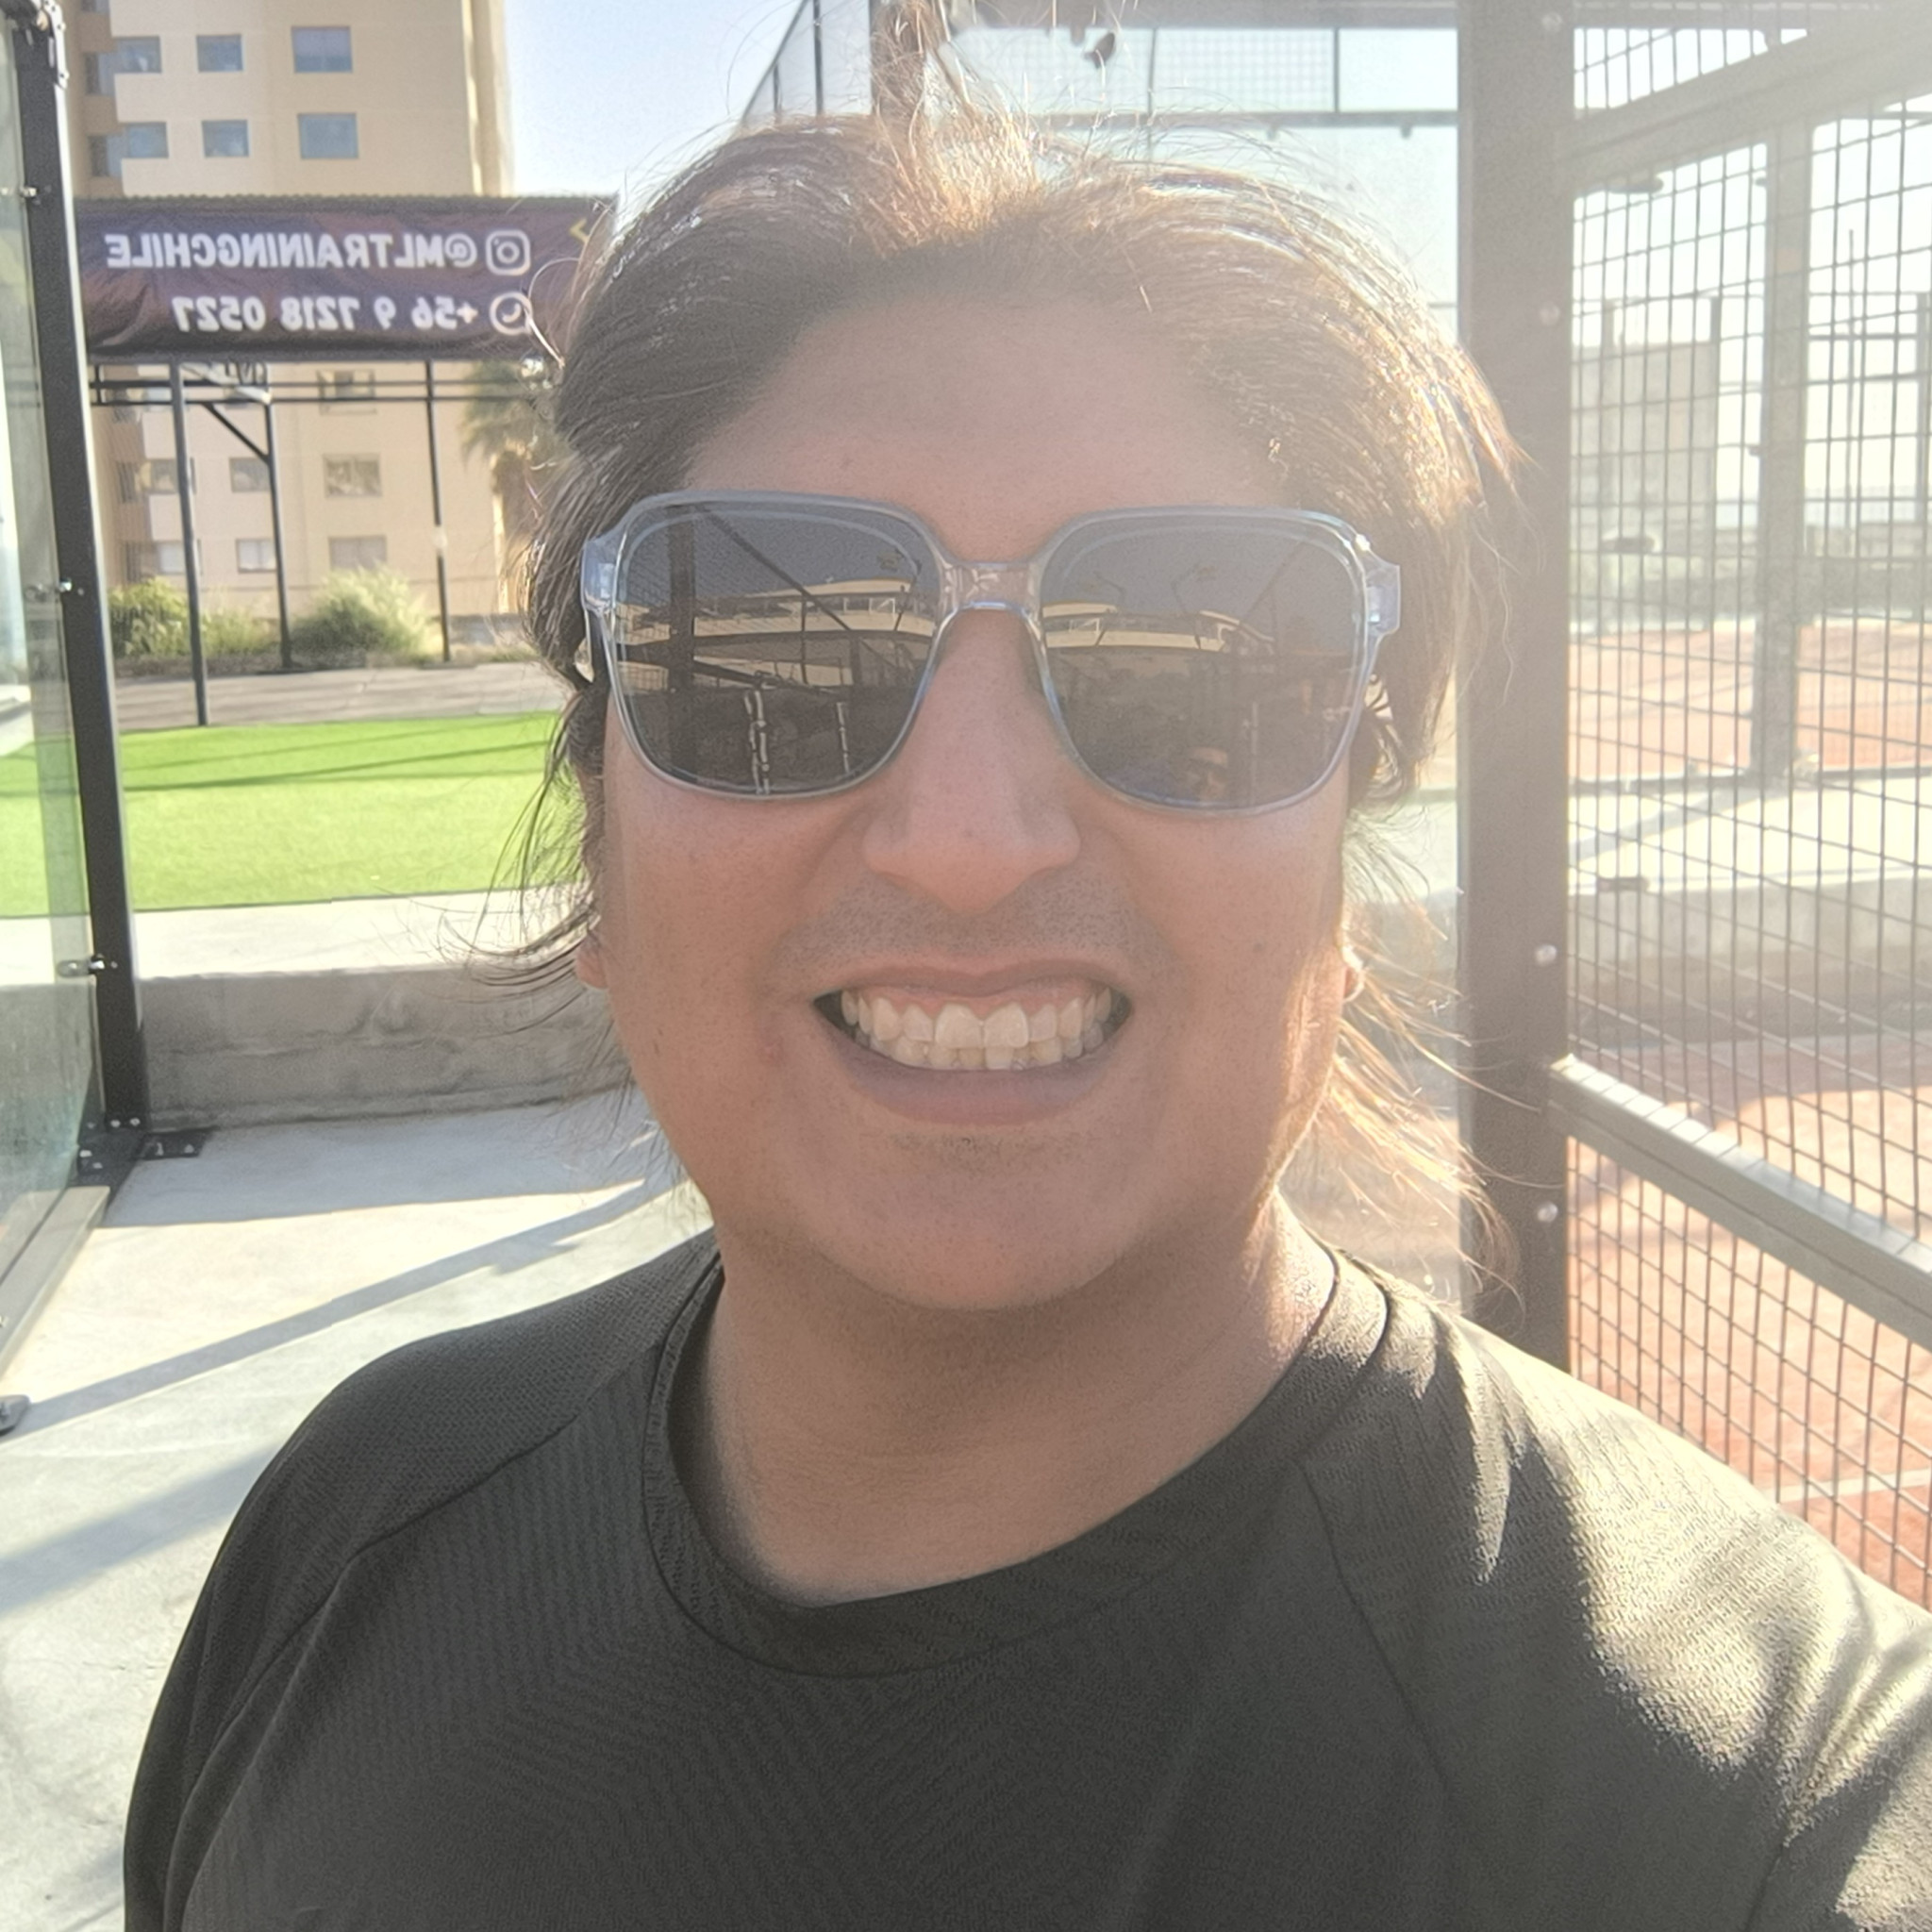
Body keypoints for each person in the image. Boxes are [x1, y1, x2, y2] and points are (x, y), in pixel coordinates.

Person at [125, 106, 1932, 1932]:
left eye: (1192, 661)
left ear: (1341, 866)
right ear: (600, 841)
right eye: (765, 653)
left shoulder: (1757, 1798)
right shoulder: (361, 1514)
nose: (972, 841)